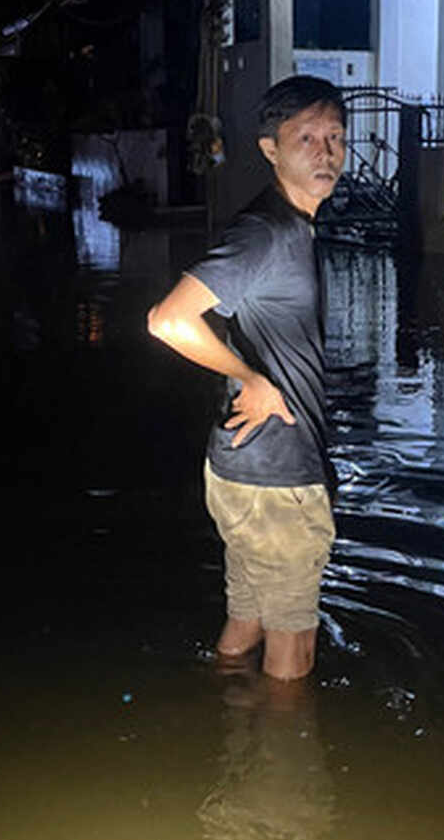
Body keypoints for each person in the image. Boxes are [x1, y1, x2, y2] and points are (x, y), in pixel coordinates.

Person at [148, 76, 346, 682]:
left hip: (242, 469)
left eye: (336, 137)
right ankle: (283, 770)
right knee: (295, 652)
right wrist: (251, 379)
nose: (325, 152)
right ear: (270, 149)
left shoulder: (289, 228)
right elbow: (168, 321)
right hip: (277, 480)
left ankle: (221, 716)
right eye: (306, 137)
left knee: (247, 625)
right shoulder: (270, 232)